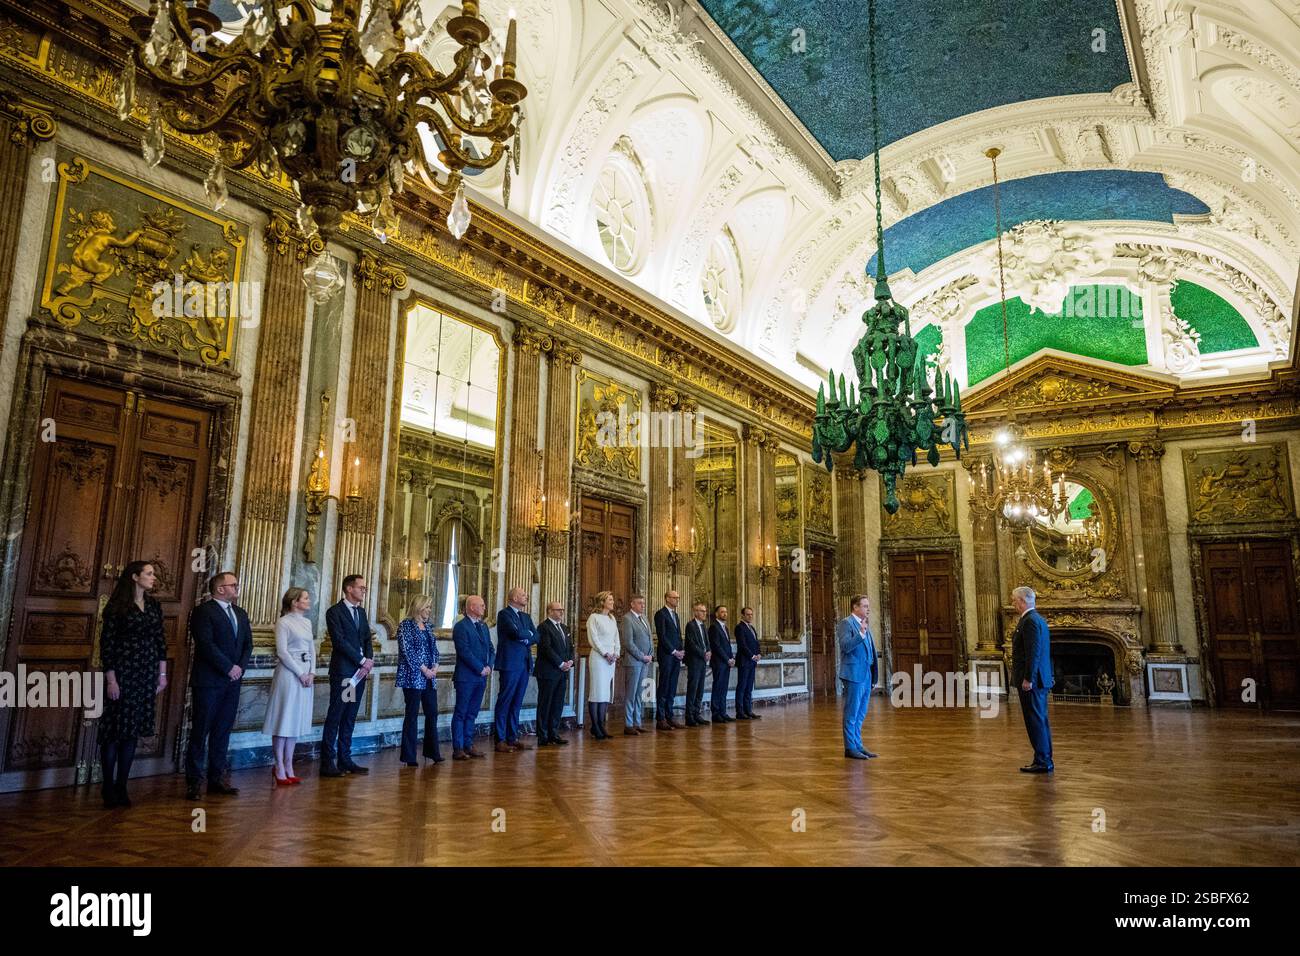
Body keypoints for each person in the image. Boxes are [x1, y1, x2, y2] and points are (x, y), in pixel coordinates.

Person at [98, 561, 167, 808]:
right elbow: (107, 646)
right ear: (135, 577)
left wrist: (162, 675)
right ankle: (107, 787)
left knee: (132, 733)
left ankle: (122, 786)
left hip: (146, 674)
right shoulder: (117, 607)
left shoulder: (154, 605)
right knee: (114, 733)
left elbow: (161, 641)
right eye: (149, 574)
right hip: (123, 674)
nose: (153, 578)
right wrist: (111, 680)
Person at [186, 571, 253, 799]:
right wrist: (228, 667)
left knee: (222, 731)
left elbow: (247, 645)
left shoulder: (241, 614)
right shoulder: (203, 611)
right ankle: (194, 781)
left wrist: (240, 668)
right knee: (200, 731)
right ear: (220, 588)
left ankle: (216, 779)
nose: (237, 588)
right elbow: (205, 644)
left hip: (233, 681)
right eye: (233, 585)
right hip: (209, 681)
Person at [321, 574, 375, 777]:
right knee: (337, 715)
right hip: (345, 673)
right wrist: (361, 661)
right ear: (349, 589)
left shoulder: (361, 612)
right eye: (361, 587)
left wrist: (368, 661)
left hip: (359, 674)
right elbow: (340, 641)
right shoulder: (334, 612)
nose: (363, 591)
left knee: (350, 716)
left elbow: (368, 639)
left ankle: (345, 758)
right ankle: (327, 762)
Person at [262, 587, 315, 785]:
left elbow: (311, 649)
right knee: (283, 718)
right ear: (294, 602)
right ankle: (279, 765)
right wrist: (300, 673)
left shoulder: (308, 622)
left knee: (294, 721)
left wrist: (312, 672)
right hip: (288, 673)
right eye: (306, 598)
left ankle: (289, 764)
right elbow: (282, 652)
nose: (309, 601)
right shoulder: (283, 622)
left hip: (304, 673)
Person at [395, 593, 443, 767]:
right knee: (412, 715)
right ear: (419, 607)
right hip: (412, 677)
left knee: (432, 713)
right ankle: (409, 756)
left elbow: (434, 650)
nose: (429, 610)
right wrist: (424, 669)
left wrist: (435, 667)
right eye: (427, 607)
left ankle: (433, 752)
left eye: (430, 607)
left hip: (430, 677)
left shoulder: (428, 627)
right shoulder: (405, 626)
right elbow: (407, 652)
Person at [1011, 586, 1055, 773]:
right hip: (1037, 680)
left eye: (1014, 600)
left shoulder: (1029, 621)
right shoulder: (1037, 619)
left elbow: (1033, 653)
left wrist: (1028, 678)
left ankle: (1043, 761)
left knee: (1035, 720)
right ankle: (1044, 758)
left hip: (1033, 681)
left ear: (1022, 601)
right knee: (1039, 719)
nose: (1013, 604)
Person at [493, 586, 538, 753]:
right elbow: (515, 633)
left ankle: (513, 737)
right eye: (523, 595)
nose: (526, 596)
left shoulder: (525, 616)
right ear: (513, 598)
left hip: (524, 664)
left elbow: (536, 635)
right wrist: (527, 635)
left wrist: (526, 636)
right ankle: (500, 739)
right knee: (505, 701)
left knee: (517, 702)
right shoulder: (504, 614)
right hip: (510, 664)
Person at [451, 595, 494, 760]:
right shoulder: (461, 627)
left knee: (472, 713)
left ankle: (468, 744)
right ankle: (458, 747)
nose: (484, 608)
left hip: (481, 676)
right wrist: (480, 668)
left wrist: (489, 666)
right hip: (466, 677)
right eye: (481, 605)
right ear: (471, 607)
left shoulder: (483, 626)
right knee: (461, 712)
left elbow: (491, 648)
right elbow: (464, 652)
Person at [838, 594, 879, 760]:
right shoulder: (846, 623)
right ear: (855, 607)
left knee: (861, 713)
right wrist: (861, 634)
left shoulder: (864, 623)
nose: (868, 609)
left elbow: (870, 650)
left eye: (868, 606)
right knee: (852, 712)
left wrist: (873, 676)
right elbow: (846, 646)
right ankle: (850, 747)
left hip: (866, 674)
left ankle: (858, 744)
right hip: (853, 674)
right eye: (865, 606)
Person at [535, 601, 575, 745]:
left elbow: (570, 647)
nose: (561, 612)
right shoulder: (543, 627)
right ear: (550, 611)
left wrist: (570, 661)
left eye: (562, 610)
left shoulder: (564, 628)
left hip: (562, 672)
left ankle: (554, 732)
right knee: (545, 703)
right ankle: (543, 735)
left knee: (557, 703)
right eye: (558, 610)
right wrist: (560, 663)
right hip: (548, 671)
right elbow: (546, 649)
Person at [585, 590, 620, 740]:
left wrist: (616, 653)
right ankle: (595, 725)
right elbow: (594, 639)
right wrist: (606, 653)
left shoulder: (612, 618)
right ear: (602, 602)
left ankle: (601, 725)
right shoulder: (593, 618)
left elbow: (616, 638)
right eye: (610, 599)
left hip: (610, 660)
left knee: (605, 693)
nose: (612, 602)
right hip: (599, 659)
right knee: (597, 692)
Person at [619, 594, 654, 735]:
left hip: (645, 661)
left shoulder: (644, 618)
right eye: (640, 603)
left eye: (643, 603)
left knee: (640, 693)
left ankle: (637, 723)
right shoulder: (627, 619)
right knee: (631, 693)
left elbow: (650, 638)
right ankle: (628, 724)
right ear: (632, 604)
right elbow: (628, 642)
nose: (643, 605)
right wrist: (642, 656)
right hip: (634, 662)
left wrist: (650, 654)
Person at [653, 590, 685, 730]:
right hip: (666, 655)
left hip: (676, 656)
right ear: (667, 598)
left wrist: (681, 650)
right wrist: (674, 651)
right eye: (674, 597)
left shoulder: (676, 615)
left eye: (678, 597)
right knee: (664, 686)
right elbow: (663, 636)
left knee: (672, 686)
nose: (677, 600)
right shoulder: (660, 614)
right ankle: (660, 718)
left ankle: (669, 716)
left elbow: (678, 635)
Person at [683, 602, 712, 725]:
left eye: (705, 611)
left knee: (700, 689)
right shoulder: (690, 625)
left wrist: (709, 651)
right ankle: (689, 716)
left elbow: (707, 642)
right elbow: (691, 643)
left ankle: (697, 713)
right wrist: (703, 653)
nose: (705, 613)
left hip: (702, 661)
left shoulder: (703, 626)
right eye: (702, 611)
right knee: (693, 688)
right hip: (694, 661)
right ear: (695, 612)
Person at [708, 605, 735, 723]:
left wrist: (731, 658)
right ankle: (716, 713)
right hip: (719, 662)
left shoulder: (725, 628)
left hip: (726, 662)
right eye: (722, 612)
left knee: (724, 688)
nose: (725, 614)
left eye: (726, 612)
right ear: (716, 614)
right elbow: (716, 646)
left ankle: (723, 712)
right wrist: (727, 659)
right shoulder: (714, 627)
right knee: (718, 687)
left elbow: (727, 646)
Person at [734, 606, 762, 720]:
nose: (750, 616)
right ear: (742, 616)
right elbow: (742, 645)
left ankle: (748, 710)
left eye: (751, 614)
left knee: (749, 687)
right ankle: (740, 712)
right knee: (742, 686)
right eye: (748, 614)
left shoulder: (752, 628)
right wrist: (752, 656)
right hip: (745, 661)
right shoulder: (739, 627)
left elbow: (756, 643)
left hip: (752, 662)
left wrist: (759, 653)